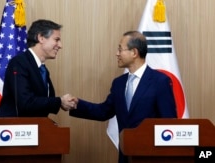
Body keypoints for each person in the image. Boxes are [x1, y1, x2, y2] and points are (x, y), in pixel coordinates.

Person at [69, 31, 177, 163]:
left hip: (151, 156)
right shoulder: (118, 83)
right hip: (125, 157)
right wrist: (76, 104)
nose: (117, 53)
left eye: (120, 49)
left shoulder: (160, 81)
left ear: (134, 52)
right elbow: (104, 111)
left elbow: (169, 122)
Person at [0, 19, 75, 117]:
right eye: (56, 39)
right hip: (15, 129)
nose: (60, 45)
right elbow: (25, 102)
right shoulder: (19, 63)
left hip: (35, 127)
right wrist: (59, 101)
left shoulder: (43, 69)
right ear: (41, 38)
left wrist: (64, 103)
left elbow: (44, 102)